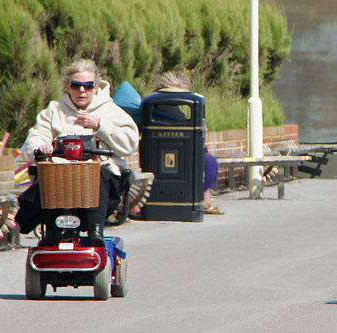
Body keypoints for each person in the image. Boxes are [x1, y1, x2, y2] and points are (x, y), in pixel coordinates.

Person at [15, 59, 140, 247]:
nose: (82, 91)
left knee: (96, 172)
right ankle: (53, 231)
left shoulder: (109, 110)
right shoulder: (54, 109)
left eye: (88, 86)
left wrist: (100, 126)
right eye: (76, 85)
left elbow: (130, 143)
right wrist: (41, 147)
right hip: (62, 175)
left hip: (100, 177)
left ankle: (94, 230)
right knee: (53, 176)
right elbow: (37, 135)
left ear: (96, 87)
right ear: (68, 87)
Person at [154, 71, 224, 215]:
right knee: (209, 162)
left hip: (178, 149)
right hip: (177, 151)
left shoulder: (167, 108)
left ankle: (203, 201)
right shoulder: (165, 109)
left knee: (208, 161)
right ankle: (204, 201)